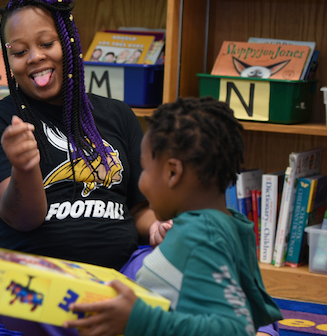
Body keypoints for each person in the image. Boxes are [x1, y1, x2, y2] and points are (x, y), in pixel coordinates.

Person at [0, 0, 167, 333]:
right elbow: (22, 218)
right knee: (45, 305)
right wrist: (25, 168)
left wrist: (157, 227)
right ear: (10, 62)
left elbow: (138, 209)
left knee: (190, 261)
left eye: (46, 43)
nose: (35, 57)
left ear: (69, 42)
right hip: (31, 277)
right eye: (19, 51)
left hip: (118, 274)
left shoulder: (119, 116)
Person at [64, 97, 283, 336]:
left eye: (145, 169)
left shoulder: (199, 236)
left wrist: (140, 319)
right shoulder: (232, 224)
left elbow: (235, 329)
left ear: (172, 172)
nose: (141, 181)